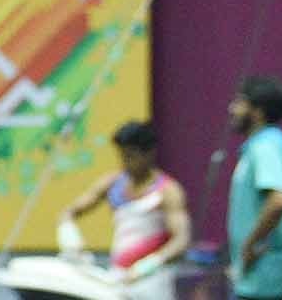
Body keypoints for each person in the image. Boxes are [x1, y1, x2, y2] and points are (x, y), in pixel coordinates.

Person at [57, 120, 190, 300]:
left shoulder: (168, 191)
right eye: (122, 155)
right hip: (118, 276)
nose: (125, 162)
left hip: (154, 279)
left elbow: (181, 240)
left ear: (150, 153)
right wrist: (71, 242)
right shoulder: (112, 183)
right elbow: (68, 213)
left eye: (131, 156)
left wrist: (147, 266)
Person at [227, 76, 282, 300]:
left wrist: (250, 246)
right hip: (264, 273)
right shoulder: (264, 146)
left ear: (258, 112)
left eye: (239, 102)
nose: (231, 109)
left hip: (270, 274)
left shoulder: (266, 147)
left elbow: (278, 201)